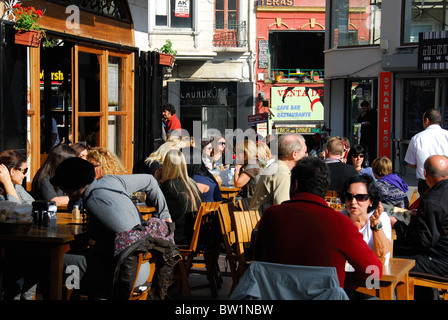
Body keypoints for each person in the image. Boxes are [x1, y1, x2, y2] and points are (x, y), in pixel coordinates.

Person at [50, 157, 172, 298]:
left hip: (122, 275)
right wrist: (164, 214)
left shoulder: (94, 201)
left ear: (71, 185)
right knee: (73, 260)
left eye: (63, 186)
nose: (62, 190)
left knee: (52, 262)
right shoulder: (111, 181)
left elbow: (128, 236)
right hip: (143, 268)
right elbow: (150, 181)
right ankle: (77, 292)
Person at [254, 157, 383, 288]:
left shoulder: (271, 216)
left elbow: (259, 260)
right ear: (324, 187)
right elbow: (373, 270)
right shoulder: (340, 223)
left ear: (295, 185)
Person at [391, 155, 448, 299]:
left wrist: (396, 224)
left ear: (425, 174)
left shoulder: (432, 200)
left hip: (439, 260)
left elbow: (421, 242)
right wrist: (422, 215)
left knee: (391, 261)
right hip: (442, 253)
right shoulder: (438, 197)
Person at [340, 174, 392, 264]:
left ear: (371, 200)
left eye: (360, 197)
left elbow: (381, 253)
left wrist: (375, 224)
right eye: (349, 197)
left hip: (375, 274)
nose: (353, 202)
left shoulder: (381, 218)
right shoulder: (340, 219)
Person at [249, 134, 307, 213]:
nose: (306, 155)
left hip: (259, 219)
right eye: (305, 152)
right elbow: (282, 209)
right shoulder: (281, 173)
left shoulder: (276, 167)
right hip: (263, 222)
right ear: (294, 154)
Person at [159, 149, 202, 245]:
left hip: (178, 236)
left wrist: (155, 179)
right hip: (196, 236)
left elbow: (151, 202)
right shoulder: (192, 184)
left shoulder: (169, 185)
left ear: (167, 166)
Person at [404, 108, 448, 196]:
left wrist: (422, 166)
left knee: (426, 207)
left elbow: (410, 163)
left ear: (426, 120)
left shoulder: (417, 138)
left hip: (426, 183)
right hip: (446, 181)